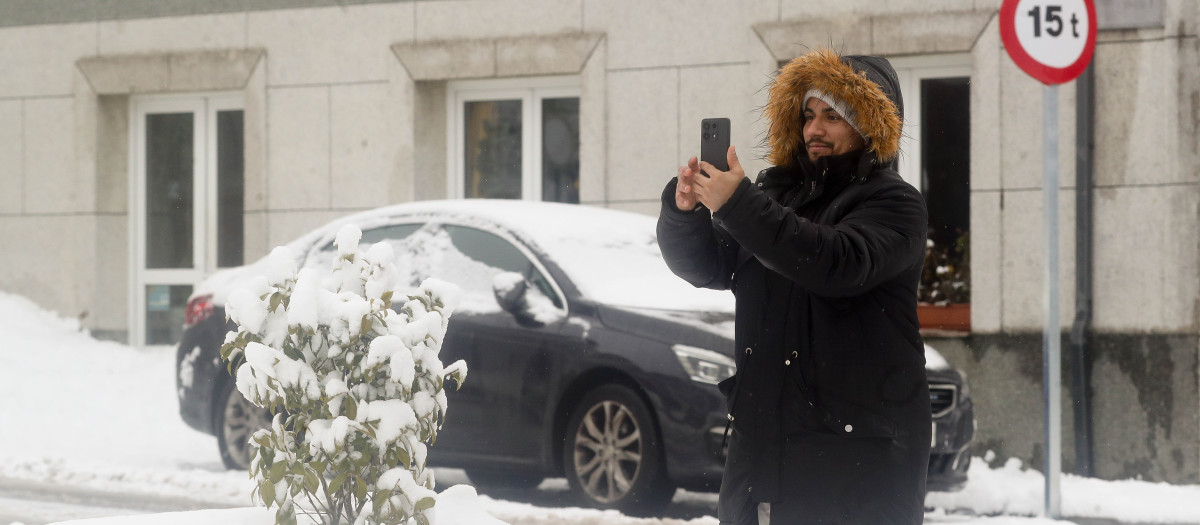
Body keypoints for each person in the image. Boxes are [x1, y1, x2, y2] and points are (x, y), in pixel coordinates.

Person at [657, 48, 931, 524]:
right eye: (807, 115)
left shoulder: (895, 204)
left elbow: (833, 261)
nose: (814, 130)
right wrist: (686, 215)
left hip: (853, 464)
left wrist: (742, 205)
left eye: (832, 116)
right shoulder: (774, 196)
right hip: (760, 450)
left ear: (869, 126)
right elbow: (710, 267)